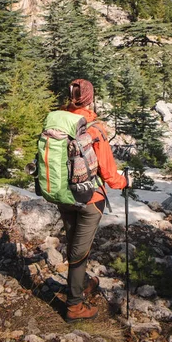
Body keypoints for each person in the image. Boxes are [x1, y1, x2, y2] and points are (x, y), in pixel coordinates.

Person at [59, 78, 130, 321]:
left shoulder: (59, 120)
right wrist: (125, 182)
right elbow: (110, 176)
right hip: (90, 199)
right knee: (79, 252)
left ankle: (82, 283)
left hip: (63, 196)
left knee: (74, 244)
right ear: (90, 98)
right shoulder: (94, 127)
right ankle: (74, 306)